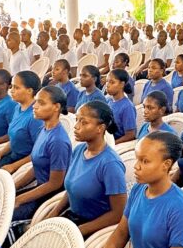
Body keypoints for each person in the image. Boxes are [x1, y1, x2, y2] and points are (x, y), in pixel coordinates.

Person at [46, 101, 128, 237]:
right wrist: (53, 213)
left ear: (100, 128)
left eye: (84, 123)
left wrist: (80, 230)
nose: (76, 127)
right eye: (77, 120)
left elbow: (118, 213)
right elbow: (72, 189)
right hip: (71, 219)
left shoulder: (110, 164)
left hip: (93, 228)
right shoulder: (79, 150)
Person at [11, 85, 73, 223]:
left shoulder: (58, 141)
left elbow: (55, 183)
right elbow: (37, 166)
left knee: (7, 214)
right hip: (39, 188)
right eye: (36, 101)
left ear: (56, 107)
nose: (35, 106)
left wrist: (20, 199)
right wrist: (14, 187)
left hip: (48, 198)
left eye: (41, 103)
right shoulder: (44, 130)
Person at [0, 70, 44, 174]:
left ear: (29, 90)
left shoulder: (35, 117)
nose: (12, 91)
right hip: (12, 155)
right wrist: (0, 154)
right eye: (12, 87)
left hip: (25, 164)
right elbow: (14, 139)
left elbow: (39, 152)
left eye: (16, 88)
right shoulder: (18, 108)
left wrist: (13, 166)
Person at [105, 68, 137, 143]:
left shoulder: (127, 107)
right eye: (107, 81)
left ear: (122, 84)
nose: (107, 85)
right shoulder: (108, 101)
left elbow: (130, 135)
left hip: (117, 143)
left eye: (112, 82)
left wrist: (111, 144)